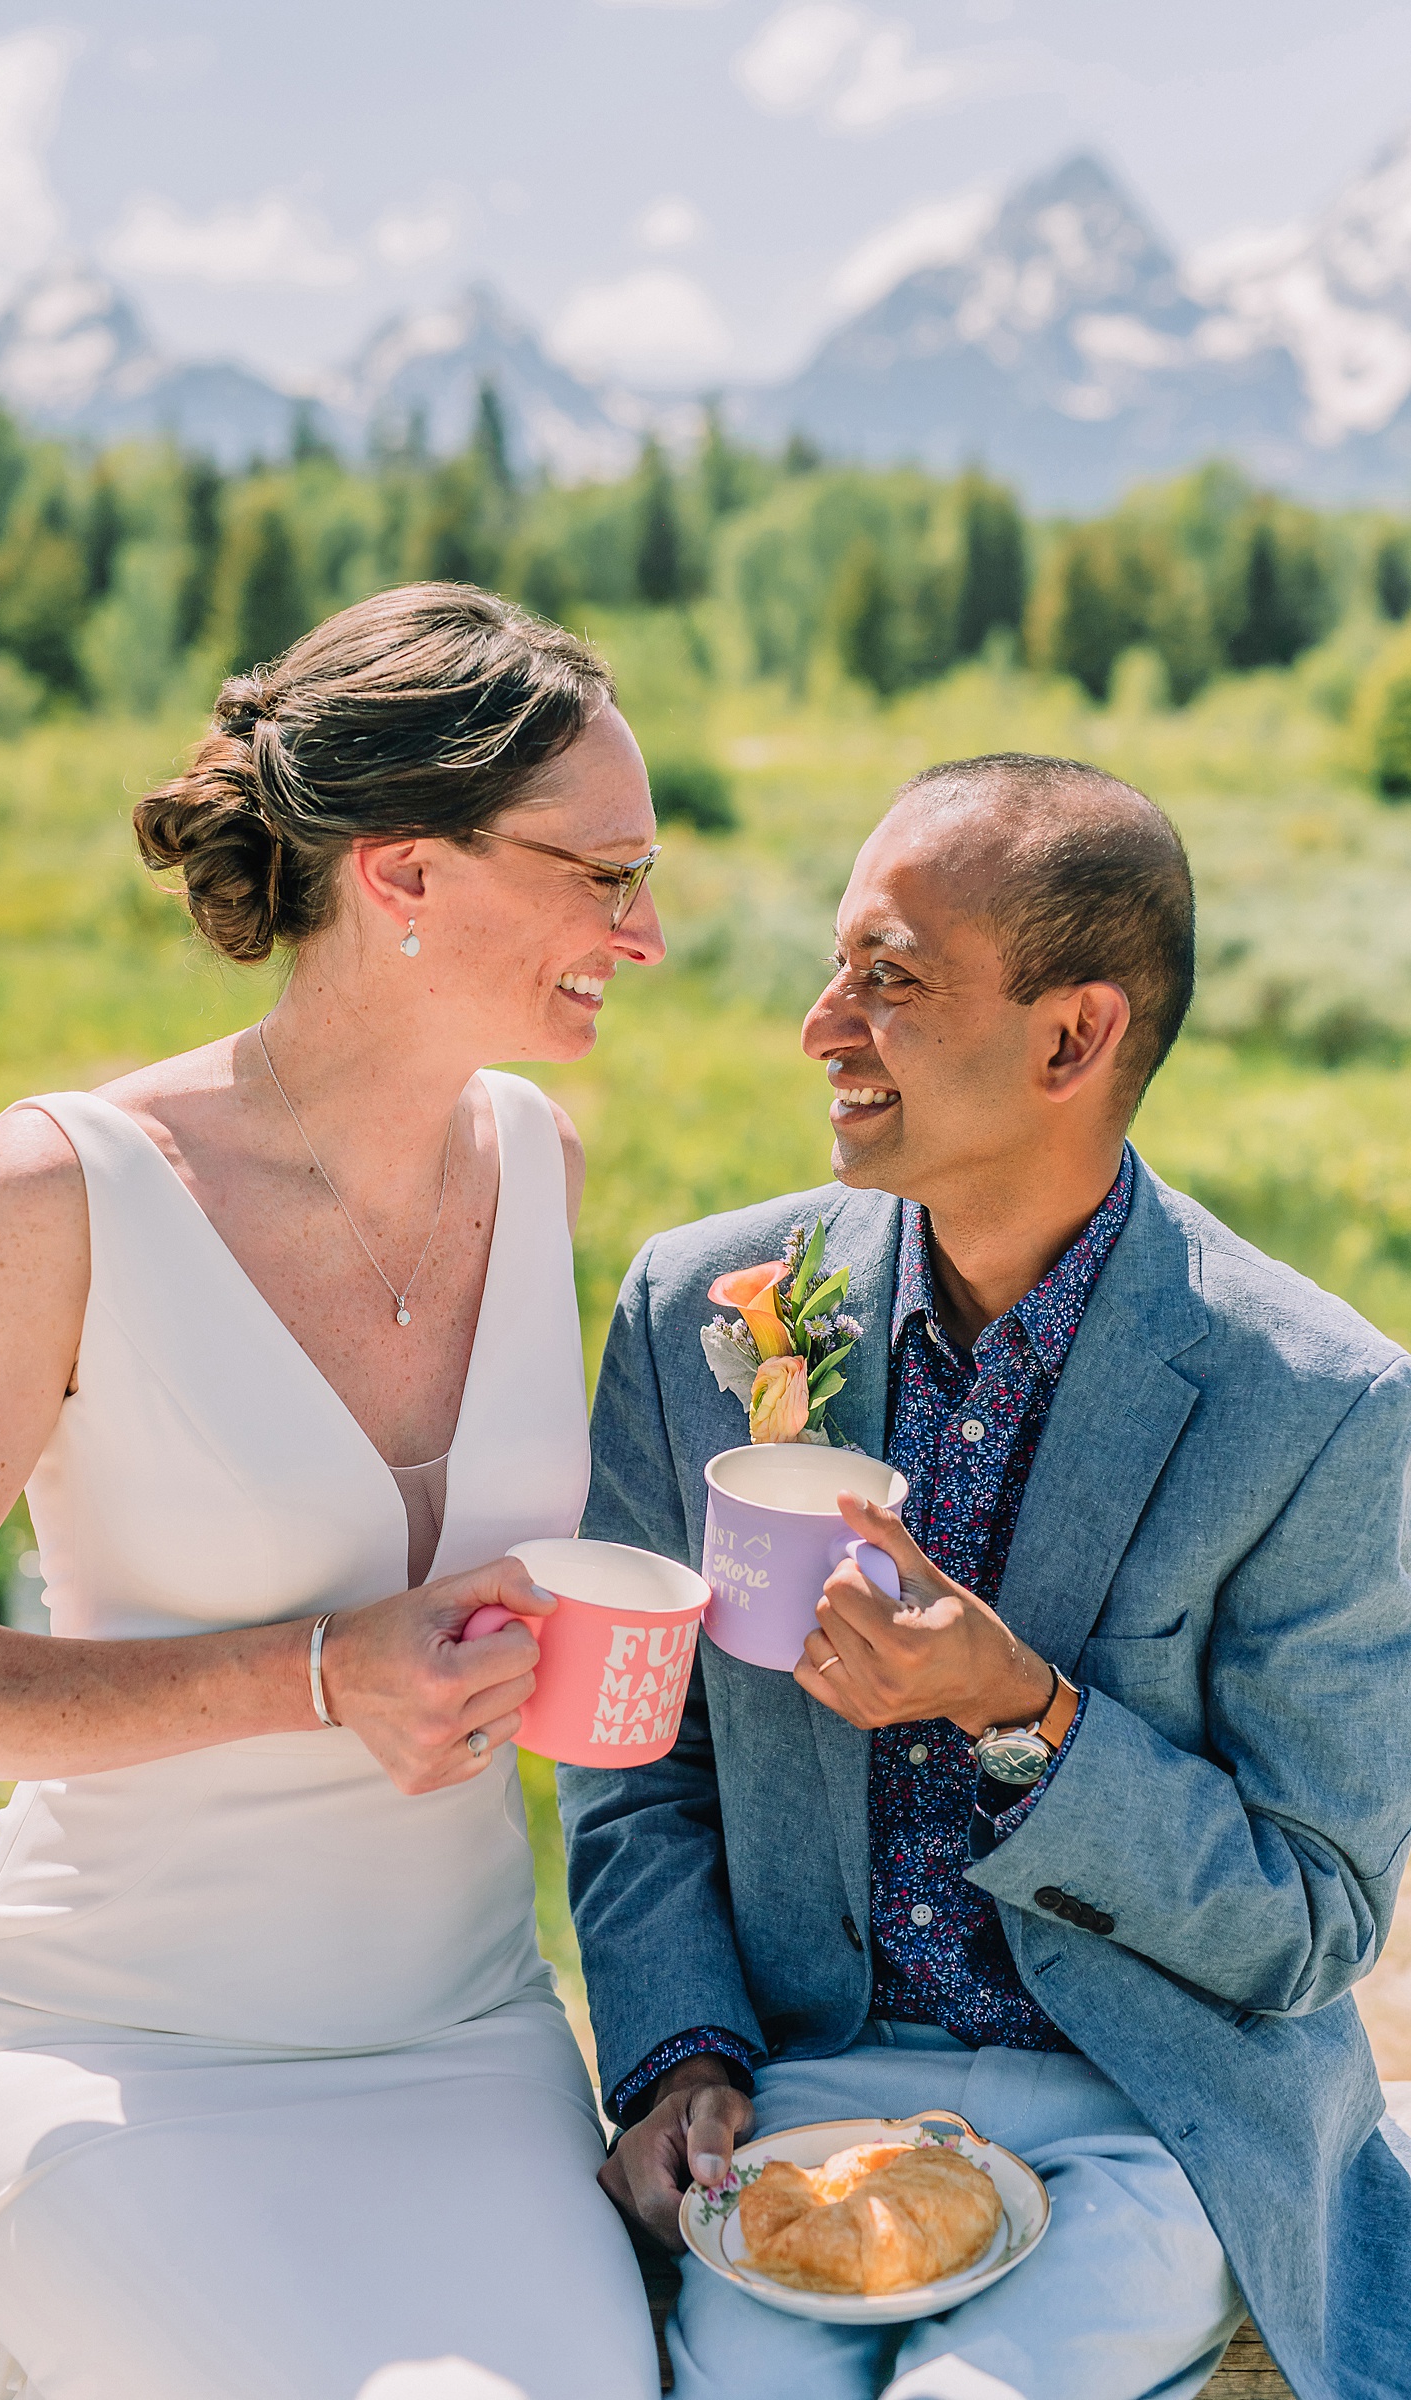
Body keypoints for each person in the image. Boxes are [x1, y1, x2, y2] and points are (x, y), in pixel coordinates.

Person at [0, 586, 667, 2400]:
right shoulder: (61, 1191)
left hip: (463, 2049)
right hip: (117, 2056)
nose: (644, 927)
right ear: (404, 873)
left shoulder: (541, 1155)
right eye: (600, 872)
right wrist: (313, 1673)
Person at [562, 752, 1411, 2400]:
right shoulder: (696, 1316)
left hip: (1157, 2117)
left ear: (1073, 1037)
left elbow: (1317, 1918)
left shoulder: (1321, 1406)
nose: (821, 1024)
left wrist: (1026, 1716)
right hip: (805, 2099)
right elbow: (643, 1761)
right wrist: (678, 2061)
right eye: (836, 966)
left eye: (888, 979)